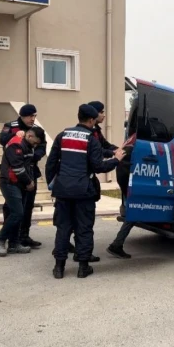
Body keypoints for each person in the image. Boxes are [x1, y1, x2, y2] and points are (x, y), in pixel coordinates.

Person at [45, 104, 126, 279]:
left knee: (63, 228)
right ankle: (83, 267)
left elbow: (51, 163)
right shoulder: (91, 140)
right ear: (91, 120)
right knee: (84, 228)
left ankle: (59, 268)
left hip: (63, 191)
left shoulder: (62, 135)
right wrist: (116, 160)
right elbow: (99, 167)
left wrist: (53, 184)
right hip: (83, 191)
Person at [0, 104, 44, 249]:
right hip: (13, 171)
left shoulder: (36, 130)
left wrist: (32, 156)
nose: (33, 119)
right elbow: (2, 140)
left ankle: (23, 236)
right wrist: (15, 135)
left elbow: (42, 146)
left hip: (30, 170)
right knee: (12, 207)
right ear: (22, 116)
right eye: (30, 116)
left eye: (34, 116)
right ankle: (9, 236)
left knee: (28, 205)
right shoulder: (11, 126)